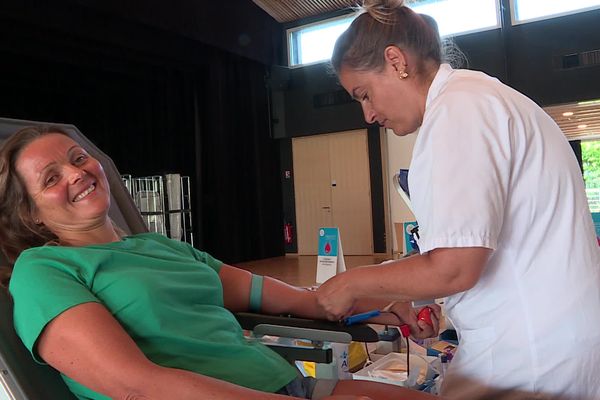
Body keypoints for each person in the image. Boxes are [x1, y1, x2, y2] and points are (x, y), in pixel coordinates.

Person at [0, 125, 441, 400]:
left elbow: (309, 300)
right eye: (51, 178)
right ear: (30, 213)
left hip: (285, 384)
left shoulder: (162, 248)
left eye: (78, 158)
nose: (76, 173)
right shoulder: (43, 270)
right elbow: (136, 386)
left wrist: (389, 303)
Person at [316, 1, 600, 399]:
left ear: (396, 60)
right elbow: (494, 249)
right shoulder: (479, 96)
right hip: (557, 338)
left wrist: (352, 281)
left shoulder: (457, 111)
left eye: (364, 94)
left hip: (529, 356)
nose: (368, 114)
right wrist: (431, 303)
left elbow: (454, 267)